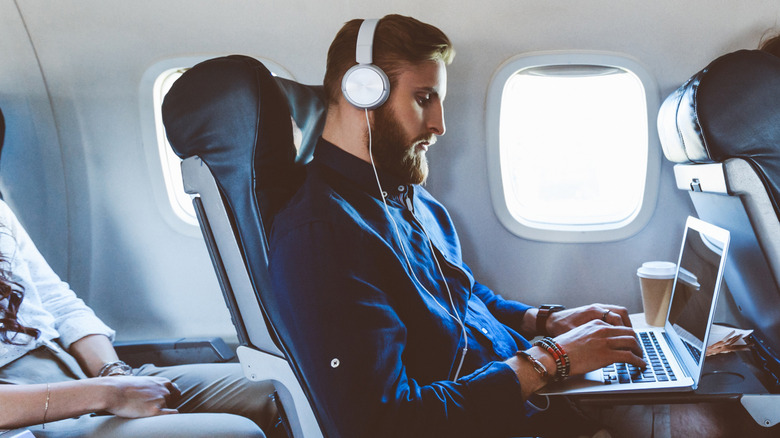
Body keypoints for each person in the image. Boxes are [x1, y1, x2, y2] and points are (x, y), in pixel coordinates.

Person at [268, 14, 646, 438]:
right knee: (695, 419)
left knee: (691, 400)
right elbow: (387, 423)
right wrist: (549, 360)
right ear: (363, 92)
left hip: (538, 402)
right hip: (499, 421)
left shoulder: (409, 197)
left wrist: (543, 322)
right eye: (424, 97)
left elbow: (459, 293)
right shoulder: (323, 237)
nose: (440, 125)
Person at [0, 200, 279, 437]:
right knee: (238, 433)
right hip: (23, 415)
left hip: (73, 367)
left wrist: (114, 374)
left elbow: (59, 304)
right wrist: (109, 393)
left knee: (277, 388)